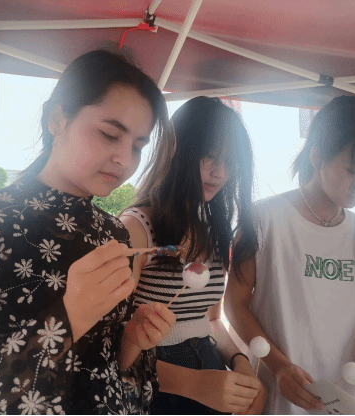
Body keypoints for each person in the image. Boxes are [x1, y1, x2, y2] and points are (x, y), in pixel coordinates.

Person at [0, 50, 177, 415]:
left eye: (137, 146)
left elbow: (109, 369)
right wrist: (67, 318)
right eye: (109, 134)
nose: (124, 159)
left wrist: (131, 341)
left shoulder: (114, 233)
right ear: (57, 119)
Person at [225, 96, 355, 415]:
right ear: (317, 155)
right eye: (354, 170)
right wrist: (279, 366)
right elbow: (234, 304)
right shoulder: (262, 220)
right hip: (287, 399)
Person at [120, 97, 265, 415]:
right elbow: (114, 348)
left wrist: (239, 361)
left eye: (229, 162)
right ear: (178, 150)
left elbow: (211, 320)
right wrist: (193, 384)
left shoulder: (212, 230)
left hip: (210, 369)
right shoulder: (137, 228)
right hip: (157, 388)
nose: (219, 172)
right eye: (209, 155)